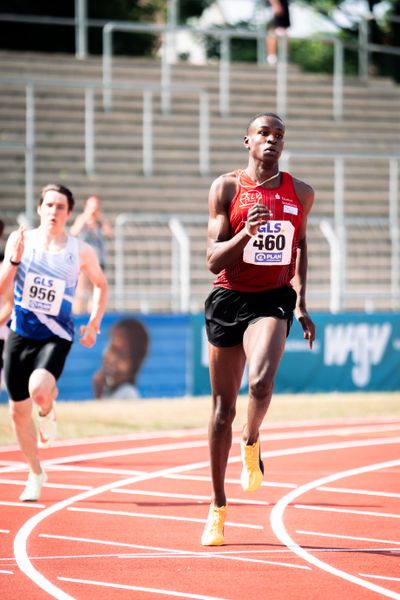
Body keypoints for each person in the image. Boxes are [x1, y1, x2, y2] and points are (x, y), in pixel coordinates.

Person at [201, 112, 315, 546]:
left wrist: (302, 300)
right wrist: (246, 234)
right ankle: (217, 505)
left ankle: (252, 440)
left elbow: (301, 245)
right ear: (247, 141)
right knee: (220, 412)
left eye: (279, 135)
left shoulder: (300, 193)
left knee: (262, 382)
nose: (272, 140)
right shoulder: (226, 188)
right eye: (263, 134)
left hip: (273, 299)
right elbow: (213, 260)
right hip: (229, 298)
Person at [0, 183, 108, 502]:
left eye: (60, 207)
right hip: (20, 334)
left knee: (39, 389)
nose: (53, 211)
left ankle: (47, 410)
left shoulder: (80, 251)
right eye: (48, 205)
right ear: (39, 209)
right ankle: (35, 472)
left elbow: (101, 285)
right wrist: (14, 261)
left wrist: (94, 323)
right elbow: (2, 286)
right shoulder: (21, 241)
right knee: (18, 413)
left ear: (69, 213)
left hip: (56, 334)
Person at [69, 194, 112, 314]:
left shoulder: (101, 222)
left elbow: (109, 232)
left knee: (96, 291)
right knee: (81, 291)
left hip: (99, 261)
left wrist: (100, 218)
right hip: (83, 262)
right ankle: (78, 315)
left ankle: (93, 316)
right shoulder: (82, 220)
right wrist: (86, 218)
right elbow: (73, 232)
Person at [92, 317, 149, 400]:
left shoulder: (128, 394)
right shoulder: (108, 390)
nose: (111, 359)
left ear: (134, 362)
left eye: (121, 355)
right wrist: (98, 393)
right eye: (110, 349)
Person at [266, 0, 291, 65]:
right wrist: (275, 4)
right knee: (274, 32)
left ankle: (283, 58)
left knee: (284, 33)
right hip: (278, 8)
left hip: (284, 7)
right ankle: (272, 57)